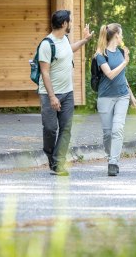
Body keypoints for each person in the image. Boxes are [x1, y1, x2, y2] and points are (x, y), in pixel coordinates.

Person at [38, 9, 94, 176]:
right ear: (63, 24)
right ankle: (51, 155)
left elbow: (69, 50)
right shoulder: (47, 45)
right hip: (50, 94)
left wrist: (84, 40)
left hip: (68, 93)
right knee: (50, 129)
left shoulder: (64, 40)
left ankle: (58, 163)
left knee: (66, 128)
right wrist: (52, 96)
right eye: (69, 21)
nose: (70, 24)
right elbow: (45, 72)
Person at [94, 23, 136, 177]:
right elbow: (110, 74)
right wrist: (125, 62)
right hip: (105, 97)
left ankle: (113, 162)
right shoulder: (101, 54)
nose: (123, 37)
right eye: (122, 34)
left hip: (122, 96)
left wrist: (131, 95)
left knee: (117, 130)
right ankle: (110, 156)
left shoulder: (120, 52)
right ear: (116, 35)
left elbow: (122, 76)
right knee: (107, 133)